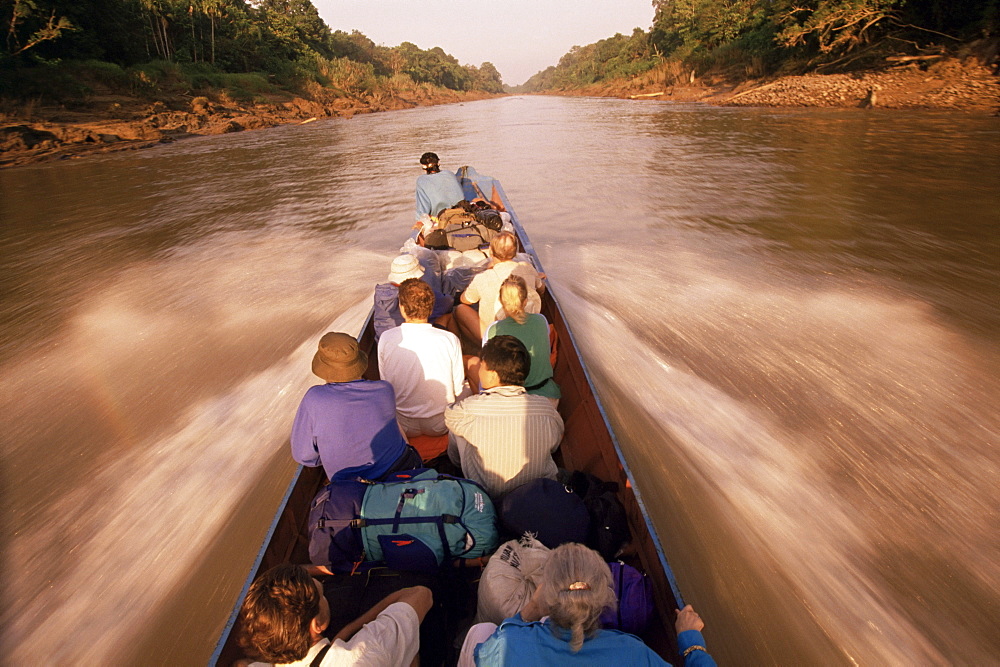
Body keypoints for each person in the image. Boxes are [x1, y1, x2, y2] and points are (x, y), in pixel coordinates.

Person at [459, 543, 716, 666]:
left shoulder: (509, 644)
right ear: (604, 599)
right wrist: (691, 641)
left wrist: (531, 610)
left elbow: (495, 644)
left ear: (546, 594)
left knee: (479, 632)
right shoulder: (633, 651)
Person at [239, 563, 433, 667]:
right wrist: (347, 631)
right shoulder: (363, 652)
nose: (326, 598)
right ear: (317, 624)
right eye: (323, 597)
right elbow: (421, 594)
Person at [290, 332, 422, 482]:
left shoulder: (314, 398)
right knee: (396, 425)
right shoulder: (385, 389)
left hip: (351, 485)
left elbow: (304, 456)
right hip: (400, 468)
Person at [444, 335, 563, 499]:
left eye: (482, 366)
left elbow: (450, 423)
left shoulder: (466, 410)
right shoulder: (547, 409)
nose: (479, 370)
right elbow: (554, 445)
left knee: (458, 427)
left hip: (488, 494)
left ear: (492, 375)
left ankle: (458, 474)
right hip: (536, 494)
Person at [378, 278, 470, 437]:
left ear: (402, 308)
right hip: (442, 423)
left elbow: (386, 386)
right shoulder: (449, 339)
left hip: (404, 424)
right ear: (431, 307)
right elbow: (458, 389)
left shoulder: (386, 338)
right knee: (471, 381)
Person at [454, 232, 544, 343]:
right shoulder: (527, 268)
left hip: (495, 335)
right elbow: (541, 289)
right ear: (515, 252)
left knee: (460, 309)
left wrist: (487, 272)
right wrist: (535, 277)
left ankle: (481, 346)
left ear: (491, 252)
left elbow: (465, 300)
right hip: (524, 327)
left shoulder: (483, 278)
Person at [485, 275, 560, 403]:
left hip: (512, 400)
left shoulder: (493, 330)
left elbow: (489, 370)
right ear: (525, 301)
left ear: (501, 301)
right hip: (547, 396)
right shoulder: (541, 320)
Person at [374, 254, 454, 339]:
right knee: (448, 316)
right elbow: (448, 302)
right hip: (415, 338)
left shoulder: (380, 293)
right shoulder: (416, 292)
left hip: (384, 340)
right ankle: (460, 345)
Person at [415, 152, 465, 223]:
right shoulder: (449, 173)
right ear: (438, 164)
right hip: (461, 211)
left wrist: (419, 221)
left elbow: (422, 210)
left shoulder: (421, 180)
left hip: (441, 217)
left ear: (423, 167)